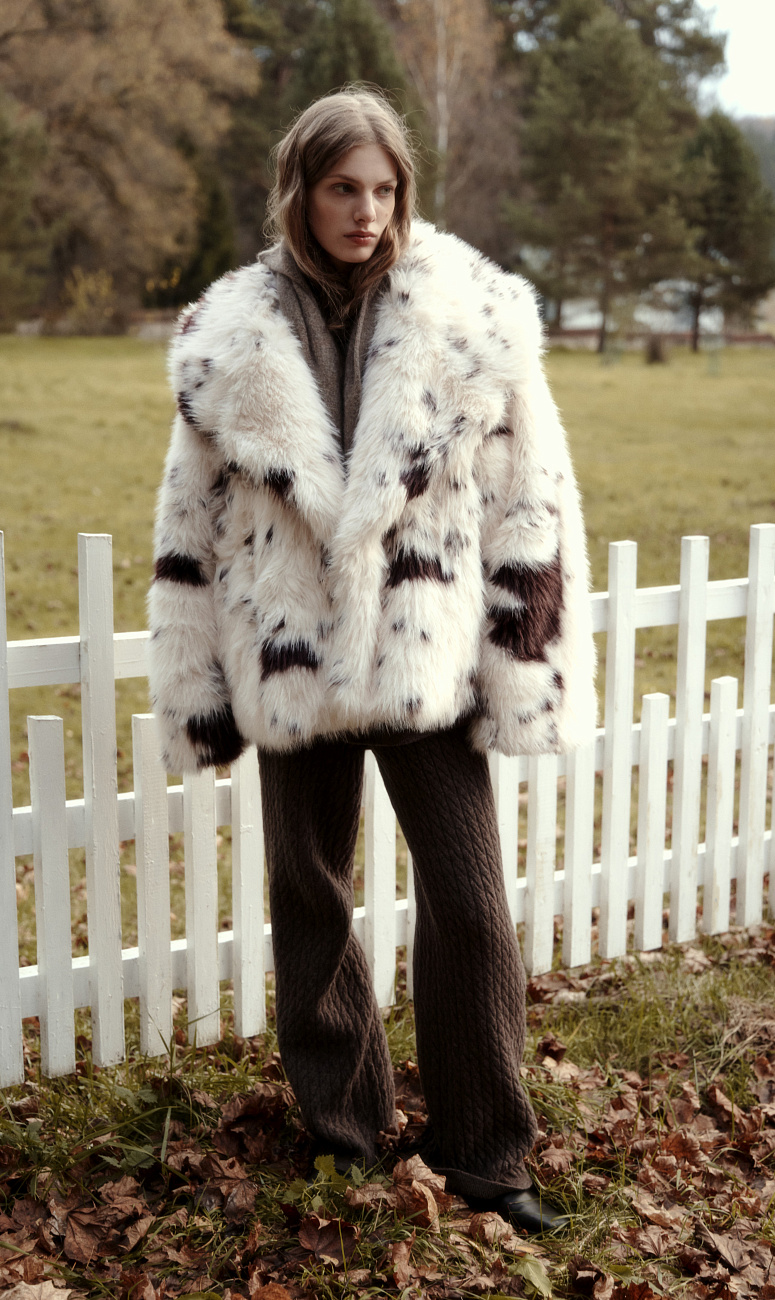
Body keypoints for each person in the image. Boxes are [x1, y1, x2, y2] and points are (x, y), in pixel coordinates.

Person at [147, 87, 596, 1234]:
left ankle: (486, 1154)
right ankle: (344, 1133)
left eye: (383, 189)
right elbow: (188, 522)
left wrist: (521, 664)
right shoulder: (227, 335)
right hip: (288, 656)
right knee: (308, 894)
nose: (366, 211)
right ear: (298, 192)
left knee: (471, 905)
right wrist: (197, 689)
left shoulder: (472, 316)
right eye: (342, 187)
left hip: (421, 656)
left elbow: (531, 500)